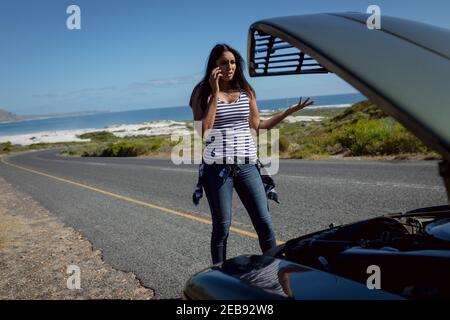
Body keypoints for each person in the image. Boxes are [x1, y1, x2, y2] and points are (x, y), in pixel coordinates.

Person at [189, 43, 313, 264]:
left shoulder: (247, 91)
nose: (230, 67)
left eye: (233, 62)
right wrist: (215, 93)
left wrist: (287, 112)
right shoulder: (202, 92)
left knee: (264, 223)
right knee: (222, 228)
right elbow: (204, 132)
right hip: (217, 168)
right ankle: (218, 275)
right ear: (214, 67)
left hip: (247, 164)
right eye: (224, 63)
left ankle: (273, 272)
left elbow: (258, 127)